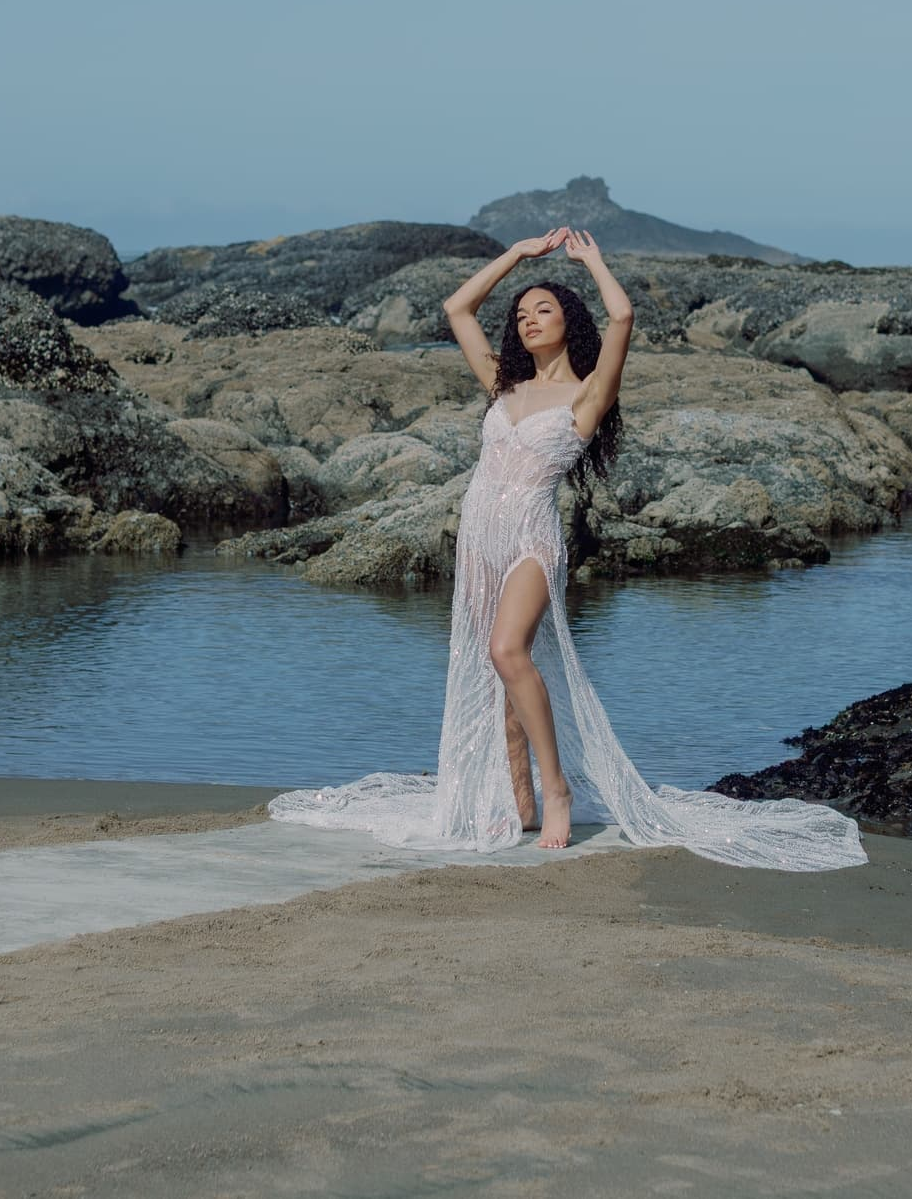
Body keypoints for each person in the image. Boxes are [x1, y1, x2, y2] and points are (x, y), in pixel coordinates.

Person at [267, 226, 866, 871]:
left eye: (542, 310)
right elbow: (456, 310)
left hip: (529, 532)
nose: (527, 321)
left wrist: (593, 261)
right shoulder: (503, 385)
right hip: (478, 536)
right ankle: (519, 799)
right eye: (521, 315)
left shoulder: (587, 394)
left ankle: (556, 788)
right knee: (502, 678)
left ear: (568, 320)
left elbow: (624, 315)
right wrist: (518, 256)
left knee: (508, 650)